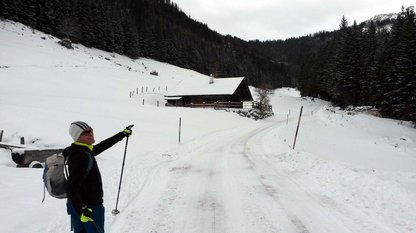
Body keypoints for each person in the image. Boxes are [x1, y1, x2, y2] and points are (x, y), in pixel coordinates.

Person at [64, 121, 132, 233]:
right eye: (86, 132)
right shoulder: (82, 156)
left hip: (77, 204)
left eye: (91, 130)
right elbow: (71, 187)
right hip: (89, 207)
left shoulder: (80, 150)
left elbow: (100, 147)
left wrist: (122, 134)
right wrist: (83, 209)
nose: (91, 134)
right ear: (77, 136)